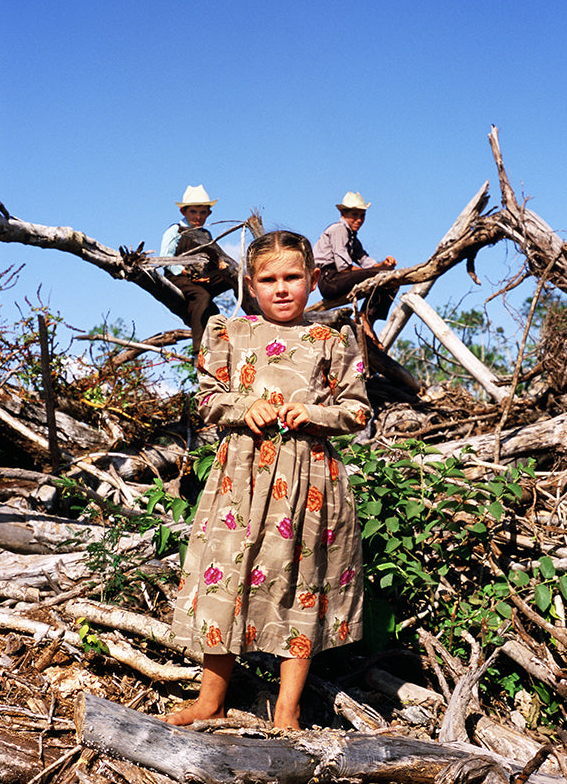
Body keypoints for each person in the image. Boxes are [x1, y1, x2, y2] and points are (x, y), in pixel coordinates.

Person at [163, 230, 371, 730]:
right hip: (241, 479)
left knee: (302, 584)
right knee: (227, 579)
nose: (282, 288)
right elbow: (207, 401)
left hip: (309, 482)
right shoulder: (229, 335)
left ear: (313, 279)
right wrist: (243, 405)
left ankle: (287, 708)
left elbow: (359, 410)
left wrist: (316, 412)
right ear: (250, 286)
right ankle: (211, 700)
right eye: (269, 279)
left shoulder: (333, 339)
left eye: (293, 277)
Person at [313, 191, 397, 343]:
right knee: (385, 275)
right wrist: (378, 272)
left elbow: (366, 261)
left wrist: (385, 264)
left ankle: (368, 319)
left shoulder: (352, 237)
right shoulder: (338, 230)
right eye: (354, 215)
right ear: (343, 213)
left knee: (391, 277)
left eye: (362, 215)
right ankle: (364, 317)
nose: (359, 220)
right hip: (330, 279)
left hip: (338, 278)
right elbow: (344, 267)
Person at [160, 184, 230, 351]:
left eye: (203, 212)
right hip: (178, 276)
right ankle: (199, 350)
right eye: (193, 211)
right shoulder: (174, 231)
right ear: (183, 212)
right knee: (202, 297)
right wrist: (186, 272)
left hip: (202, 277)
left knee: (232, 278)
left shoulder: (206, 235)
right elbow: (165, 259)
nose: (198, 216)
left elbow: (213, 259)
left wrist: (212, 273)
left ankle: (254, 314)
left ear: (209, 213)